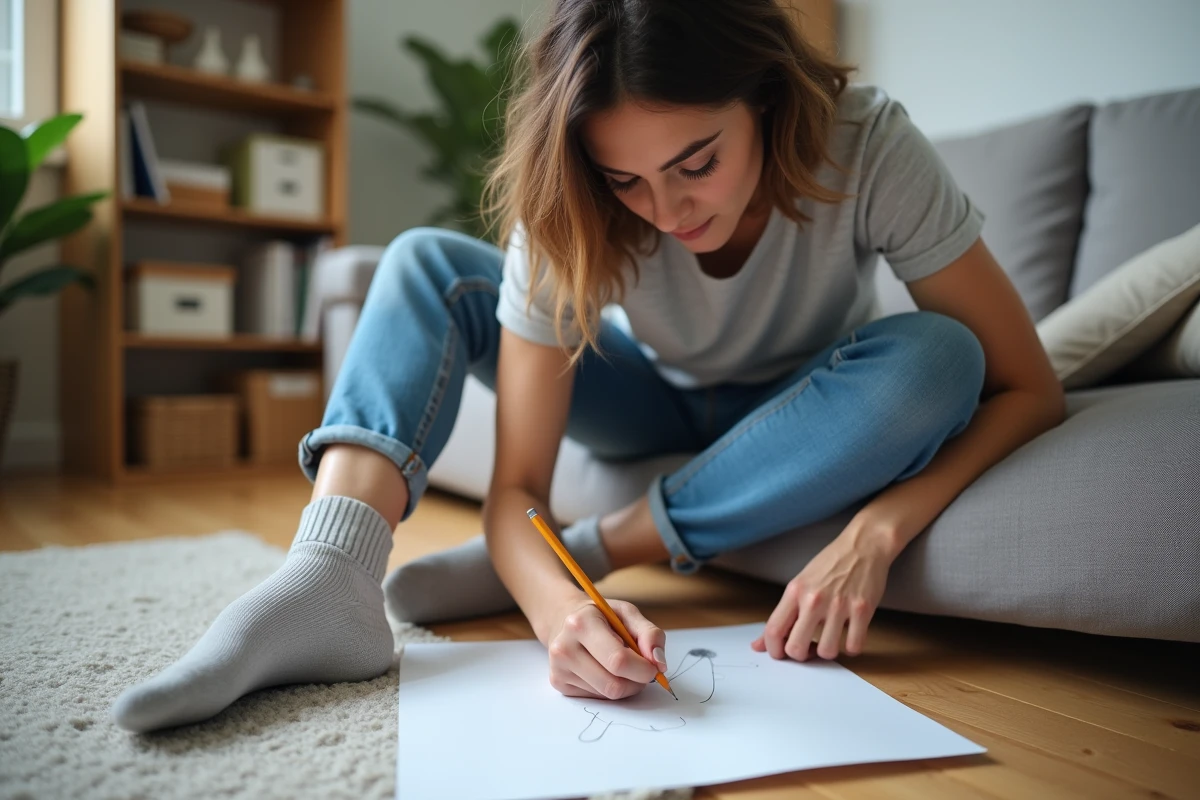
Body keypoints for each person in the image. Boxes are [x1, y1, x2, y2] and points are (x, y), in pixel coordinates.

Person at [110, 0, 1065, 733]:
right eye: (627, 180)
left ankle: (605, 540)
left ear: (768, 100)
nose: (668, 209)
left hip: (802, 407)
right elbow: (517, 485)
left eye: (697, 160)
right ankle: (331, 573)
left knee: (940, 355)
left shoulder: (868, 140)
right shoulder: (571, 200)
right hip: (646, 399)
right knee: (424, 264)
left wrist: (878, 531)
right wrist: (558, 611)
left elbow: (1028, 386)